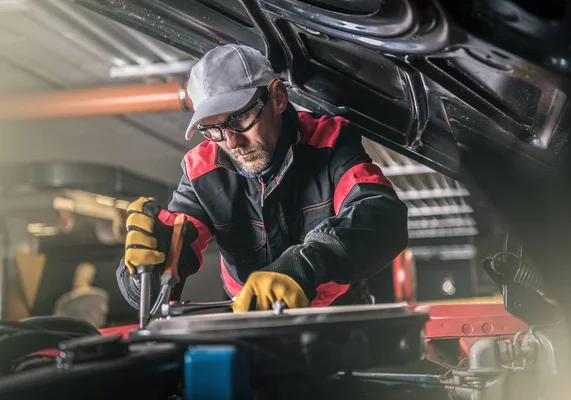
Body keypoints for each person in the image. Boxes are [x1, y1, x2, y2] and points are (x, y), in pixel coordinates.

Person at [117, 44, 408, 312]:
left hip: (334, 312)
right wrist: (147, 270)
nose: (231, 142)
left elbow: (379, 213)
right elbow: (173, 256)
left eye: (239, 119)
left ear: (278, 97)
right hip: (246, 312)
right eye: (212, 129)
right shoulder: (200, 169)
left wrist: (304, 265)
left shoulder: (329, 142)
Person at [55, 262, 109, 328]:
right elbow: (58, 321)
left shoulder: (99, 296)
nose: (79, 277)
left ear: (90, 277)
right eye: (78, 274)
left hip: (89, 334)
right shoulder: (64, 299)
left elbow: (99, 320)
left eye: (85, 274)